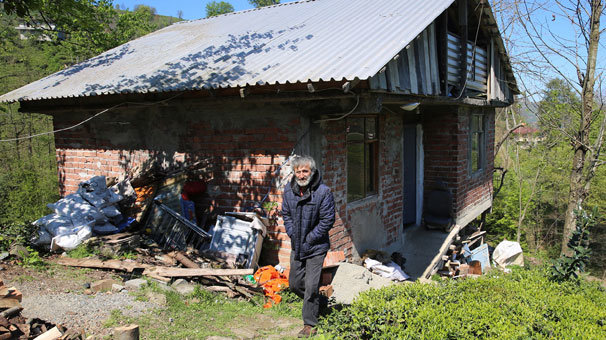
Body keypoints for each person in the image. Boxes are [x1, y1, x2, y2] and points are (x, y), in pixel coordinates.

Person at [282, 155, 335, 338]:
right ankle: (319, 302)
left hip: (316, 246)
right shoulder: (289, 191)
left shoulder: (323, 192)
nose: (302, 175)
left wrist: (310, 238)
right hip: (297, 245)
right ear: (294, 172)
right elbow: (286, 213)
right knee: (295, 284)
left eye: (305, 171)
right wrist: (291, 232)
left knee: (311, 286)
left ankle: (310, 324)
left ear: (311, 172)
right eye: (298, 171)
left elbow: (328, 220)